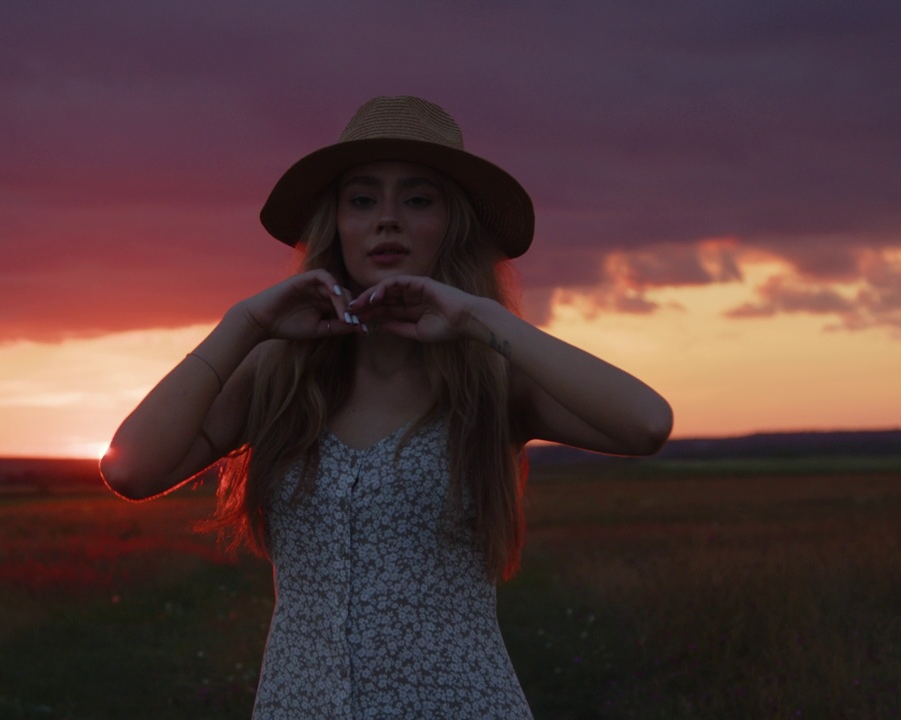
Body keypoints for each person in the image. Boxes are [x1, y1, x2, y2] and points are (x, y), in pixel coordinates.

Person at [100, 96, 673, 718]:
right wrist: (246, 322)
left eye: (419, 200)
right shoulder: (276, 376)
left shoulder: (492, 380)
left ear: (452, 226)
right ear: (336, 223)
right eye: (363, 200)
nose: (388, 221)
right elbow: (131, 469)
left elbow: (646, 422)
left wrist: (478, 316)